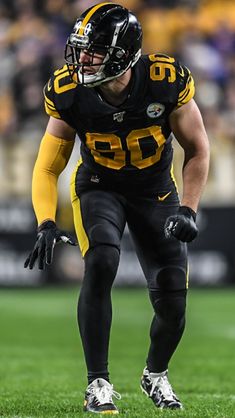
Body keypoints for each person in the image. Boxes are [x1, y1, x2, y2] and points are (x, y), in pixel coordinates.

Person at [24, 2, 210, 414]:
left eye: (92, 51)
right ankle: (98, 383)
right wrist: (46, 220)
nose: (81, 60)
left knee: (174, 300)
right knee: (103, 260)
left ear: (123, 53)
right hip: (98, 185)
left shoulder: (164, 80)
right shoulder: (70, 91)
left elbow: (197, 149)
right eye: (80, 49)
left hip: (156, 190)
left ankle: (155, 373)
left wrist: (189, 209)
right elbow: (48, 164)